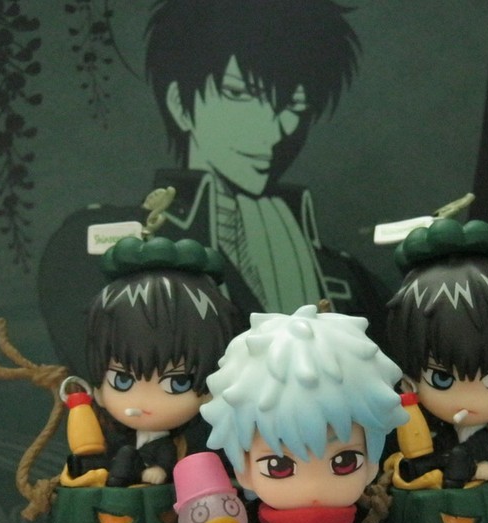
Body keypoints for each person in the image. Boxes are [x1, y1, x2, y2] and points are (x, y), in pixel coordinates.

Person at [39, 0, 390, 377]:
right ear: (180, 103)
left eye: (293, 106)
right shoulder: (95, 246)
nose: (273, 131)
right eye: (242, 95)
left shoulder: (344, 274)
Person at [200, 305, 408, 523]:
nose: (312, 487)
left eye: (345, 461)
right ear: (244, 471)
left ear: (371, 465)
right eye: (278, 466)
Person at [385, 219, 488, 487]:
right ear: (408, 381)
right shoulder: (424, 429)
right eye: (442, 379)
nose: (468, 400)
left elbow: (487, 468)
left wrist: (476, 469)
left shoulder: (483, 441)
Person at [66, 236, 237, 487]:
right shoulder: (110, 435)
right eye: (122, 380)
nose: (145, 402)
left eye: (177, 382)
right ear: (99, 389)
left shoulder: (200, 445)